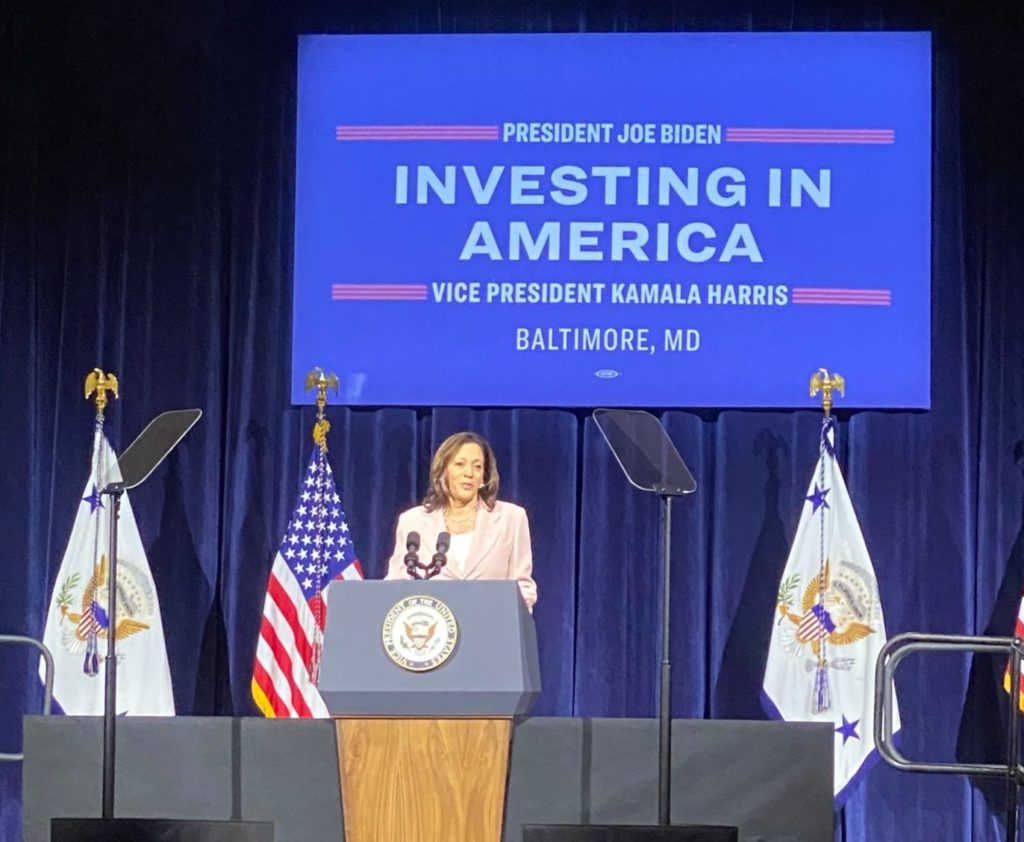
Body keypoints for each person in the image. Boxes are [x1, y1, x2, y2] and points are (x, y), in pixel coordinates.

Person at [385, 431, 537, 610]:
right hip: (433, 629)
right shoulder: (413, 520)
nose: (469, 473)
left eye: (478, 466)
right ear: (443, 471)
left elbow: (523, 586)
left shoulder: (512, 518)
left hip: (492, 627)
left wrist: (514, 624)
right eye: (460, 464)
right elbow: (396, 584)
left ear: (484, 477)